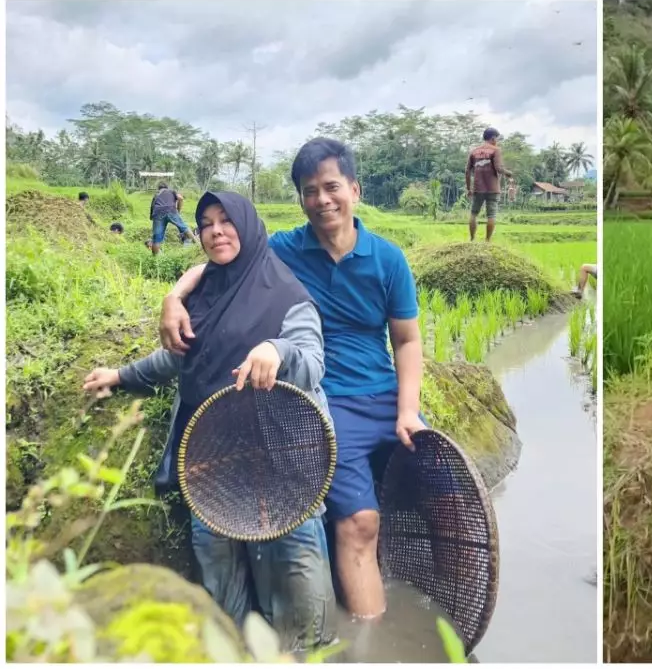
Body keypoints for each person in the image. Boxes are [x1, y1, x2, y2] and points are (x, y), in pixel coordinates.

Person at [158, 137, 427, 622]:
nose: (322, 200)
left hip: (385, 394)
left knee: (440, 495)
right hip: (326, 400)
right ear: (300, 198)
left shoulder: (389, 260)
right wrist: (174, 296)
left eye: (331, 187)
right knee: (359, 521)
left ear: (354, 190)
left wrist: (408, 409)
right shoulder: (282, 249)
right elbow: (221, 257)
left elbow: (407, 342)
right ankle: (368, 628)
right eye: (310, 191)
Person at [82, 191, 336, 650]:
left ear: (249, 225)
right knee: (222, 597)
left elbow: (313, 362)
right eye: (205, 223)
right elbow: (178, 357)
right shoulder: (203, 293)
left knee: (302, 598)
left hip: (284, 467)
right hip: (213, 467)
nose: (216, 231)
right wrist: (119, 376)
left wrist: (275, 350)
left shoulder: (286, 296)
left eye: (226, 220)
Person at [465, 127, 513, 242]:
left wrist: (468, 188)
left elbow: (467, 171)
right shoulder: (495, 150)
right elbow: (499, 168)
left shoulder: (474, 151)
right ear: (493, 138)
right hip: (492, 188)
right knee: (491, 215)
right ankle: (487, 241)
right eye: (497, 138)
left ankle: (472, 239)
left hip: (478, 188)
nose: (497, 141)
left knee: (474, 213)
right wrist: (509, 173)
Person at [149, 181, 196, 254]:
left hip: (158, 213)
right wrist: (178, 210)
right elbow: (180, 198)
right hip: (171, 210)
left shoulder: (156, 194)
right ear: (166, 187)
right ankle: (198, 244)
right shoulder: (171, 191)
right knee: (184, 227)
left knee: (156, 239)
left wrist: (153, 218)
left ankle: (156, 261)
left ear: (159, 188)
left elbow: (152, 207)